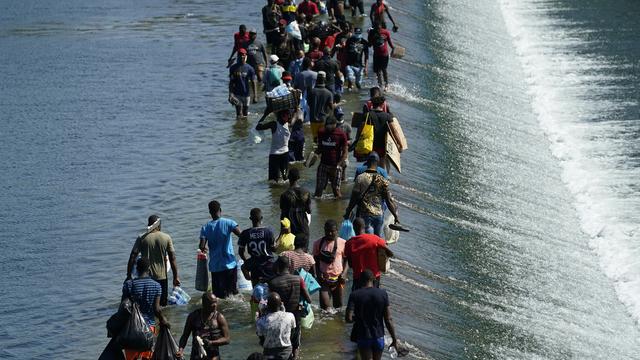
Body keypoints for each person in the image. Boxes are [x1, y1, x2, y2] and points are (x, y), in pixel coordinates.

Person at [126, 215, 180, 307]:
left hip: (146, 278)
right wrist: (176, 277)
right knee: (162, 305)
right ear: (158, 225)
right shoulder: (166, 237)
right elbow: (172, 258)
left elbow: (132, 256)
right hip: (162, 277)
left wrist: (128, 275)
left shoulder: (142, 238)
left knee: (147, 304)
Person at [345, 269, 399, 360]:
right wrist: (394, 339)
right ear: (373, 280)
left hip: (363, 336)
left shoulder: (354, 295)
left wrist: (358, 318)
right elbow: (388, 319)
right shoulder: (383, 294)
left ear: (360, 280)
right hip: (379, 337)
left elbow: (348, 318)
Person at [121, 257, 169, 360]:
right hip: (149, 329)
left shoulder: (128, 285)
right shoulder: (156, 286)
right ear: (149, 269)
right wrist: (163, 319)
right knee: (147, 358)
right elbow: (157, 310)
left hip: (131, 331)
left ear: (137, 269)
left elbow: (123, 308)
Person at [343, 152, 400, 237]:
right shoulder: (382, 180)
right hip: (379, 214)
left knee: (366, 237)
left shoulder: (360, 178)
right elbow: (388, 200)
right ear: (377, 163)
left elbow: (354, 198)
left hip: (365, 213)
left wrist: (348, 211)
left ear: (367, 162)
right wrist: (395, 216)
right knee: (377, 238)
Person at [268, 256, 312, 360]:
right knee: (295, 344)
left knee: (281, 343)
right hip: (294, 316)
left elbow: (269, 301)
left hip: (278, 318)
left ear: (278, 266)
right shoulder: (298, 279)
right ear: (289, 266)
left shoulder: (273, 282)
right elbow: (309, 299)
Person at [199, 200, 242, 299]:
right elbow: (242, 235)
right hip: (229, 265)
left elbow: (201, 246)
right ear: (220, 210)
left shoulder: (205, 227)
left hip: (215, 268)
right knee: (233, 295)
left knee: (218, 297)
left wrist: (204, 248)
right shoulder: (229, 223)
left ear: (210, 212)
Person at [177, 292, 230, 360]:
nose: (215, 305)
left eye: (216, 302)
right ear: (204, 304)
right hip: (196, 356)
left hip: (213, 356)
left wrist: (211, 343)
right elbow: (185, 336)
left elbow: (227, 339)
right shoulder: (193, 316)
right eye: (212, 303)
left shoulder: (219, 317)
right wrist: (180, 350)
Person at [344, 218, 392, 290]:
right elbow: (389, 253)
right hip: (374, 277)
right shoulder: (375, 239)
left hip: (358, 277)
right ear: (365, 227)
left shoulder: (349, 243)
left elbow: (350, 263)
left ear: (353, 228)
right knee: (373, 299)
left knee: (358, 299)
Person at [312, 219, 347, 310]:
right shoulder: (318, 243)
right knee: (325, 309)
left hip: (338, 280)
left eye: (332, 231)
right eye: (327, 231)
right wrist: (318, 273)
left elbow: (347, 260)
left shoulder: (343, 243)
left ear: (337, 231)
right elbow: (315, 260)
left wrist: (344, 274)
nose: (330, 233)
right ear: (324, 230)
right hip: (324, 281)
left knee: (338, 308)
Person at [238, 208, 277, 286]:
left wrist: (246, 261)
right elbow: (274, 249)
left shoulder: (245, 233)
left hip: (254, 265)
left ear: (250, 219)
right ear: (261, 218)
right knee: (271, 288)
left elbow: (241, 252)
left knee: (256, 289)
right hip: (268, 264)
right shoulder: (268, 231)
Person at [313, 116, 348, 198]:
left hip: (336, 165)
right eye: (326, 126)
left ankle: (338, 209)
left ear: (335, 125)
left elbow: (345, 152)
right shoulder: (321, 132)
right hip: (323, 164)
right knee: (318, 191)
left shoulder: (341, 134)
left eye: (329, 126)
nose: (327, 128)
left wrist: (338, 166)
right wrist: (312, 157)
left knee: (336, 191)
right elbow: (320, 148)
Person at [256, 292, 297, 360]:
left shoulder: (261, 321)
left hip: (269, 353)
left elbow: (262, 339)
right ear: (281, 304)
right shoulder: (290, 316)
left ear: (267, 306)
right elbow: (292, 334)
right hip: (286, 352)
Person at [256, 108, 292, 182]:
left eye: (289, 115)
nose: (289, 117)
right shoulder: (274, 124)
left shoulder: (288, 124)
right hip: (275, 154)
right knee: (274, 180)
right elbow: (258, 127)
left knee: (285, 178)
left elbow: (258, 126)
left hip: (283, 154)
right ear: (282, 116)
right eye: (287, 115)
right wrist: (265, 115)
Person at [280, 168, 312, 237]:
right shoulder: (306, 192)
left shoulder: (284, 195)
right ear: (299, 178)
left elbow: (283, 214)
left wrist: (281, 233)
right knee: (304, 247)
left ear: (288, 177)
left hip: (290, 229)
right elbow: (309, 211)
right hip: (303, 227)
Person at [229, 48, 257, 119]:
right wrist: (230, 94)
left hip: (247, 94)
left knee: (245, 114)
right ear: (238, 56)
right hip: (237, 94)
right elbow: (231, 82)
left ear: (245, 56)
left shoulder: (250, 68)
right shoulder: (233, 68)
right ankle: (238, 128)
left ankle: (244, 128)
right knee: (239, 114)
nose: (242, 56)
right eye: (240, 55)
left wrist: (255, 96)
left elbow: (254, 82)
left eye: (243, 55)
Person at [307, 71, 334, 142]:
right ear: (325, 80)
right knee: (323, 139)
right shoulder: (329, 93)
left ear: (317, 80)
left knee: (315, 140)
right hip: (323, 120)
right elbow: (331, 107)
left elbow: (309, 104)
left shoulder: (311, 92)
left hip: (313, 119)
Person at [367, 21, 394, 91]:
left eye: (379, 26)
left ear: (381, 26)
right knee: (377, 71)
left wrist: (393, 49)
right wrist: (369, 36)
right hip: (376, 54)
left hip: (384, 54)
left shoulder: (386, 32)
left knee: (384, 69)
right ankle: (380, 85)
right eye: (376, 27)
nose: (378, 28)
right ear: (374, 27)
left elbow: (389, 42)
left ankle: (386, 85)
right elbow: (370, 44)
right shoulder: (372, 33)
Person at [293, 57, 317, 123]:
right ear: (310, 64)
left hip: (301, 98)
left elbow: (295, 87)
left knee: (302, 119)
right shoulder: (315, 74)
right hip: (313, 98)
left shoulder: (299, 75)